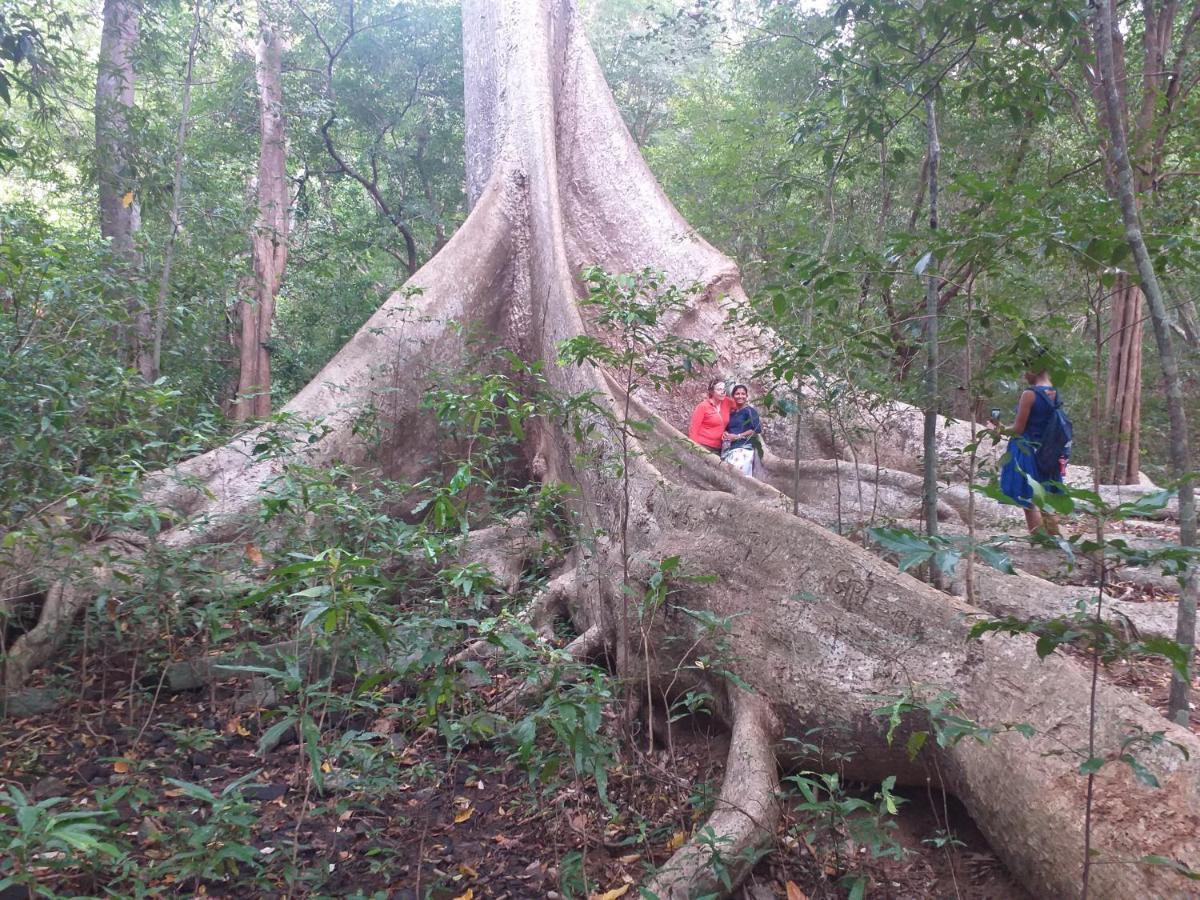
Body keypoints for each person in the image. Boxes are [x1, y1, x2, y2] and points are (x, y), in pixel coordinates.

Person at [997, 369, 1065, 535]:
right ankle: (1053, 538)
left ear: (1035, 368)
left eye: (1025, 369)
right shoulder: (1055, 392)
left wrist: (998, 430)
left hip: (1026, 449)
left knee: (1029, 498)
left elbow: (1018, 429)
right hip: (1048, 450)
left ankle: (1039, 539)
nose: (1024, 374)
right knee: (1047, 496)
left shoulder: (1030, 394)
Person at [722, 384, 762, 477]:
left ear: (747, 396)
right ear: (733, 396)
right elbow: (728, 429)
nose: (740, 396)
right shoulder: (731, 414)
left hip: (744, 450)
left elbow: (756, 430)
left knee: (739, 476)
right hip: (730, 450)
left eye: (743, 394)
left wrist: (737, 436)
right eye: (737, 394)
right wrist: (725, 433)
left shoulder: (750, 411)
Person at [688, 378, 734, 455]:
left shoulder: (727, 402)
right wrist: (694, 449)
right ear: (712, 392)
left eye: (724, 389)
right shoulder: (703, 406)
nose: (723, 392)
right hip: (702, 445)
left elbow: (740, 405)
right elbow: (693, 429)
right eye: (719, 389)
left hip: (718, 447)